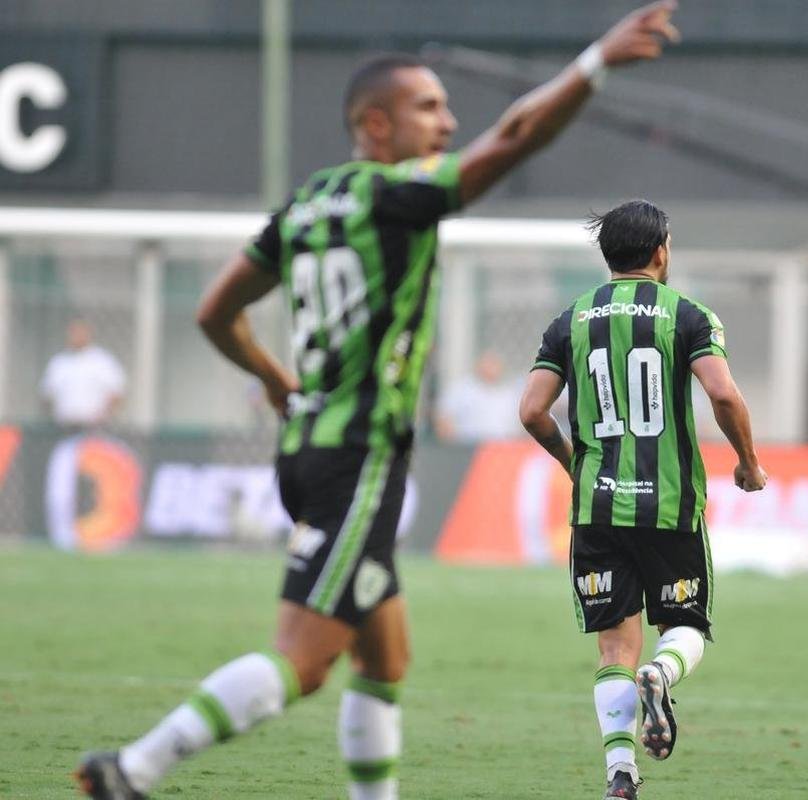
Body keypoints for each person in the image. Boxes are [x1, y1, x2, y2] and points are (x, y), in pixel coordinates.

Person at [75, 4, 682, 799]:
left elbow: (214, 312)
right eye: (427, 107)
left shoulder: (305, 206)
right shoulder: (395, 197)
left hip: (309, 447)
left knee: (384, 659)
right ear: (374, 124)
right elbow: (513, 139)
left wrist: (270, 377)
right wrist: (594, 63)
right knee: (303, 657)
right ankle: (134, 769)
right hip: (359, 458)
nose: (447, 122)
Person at [519, 199, 767, 800]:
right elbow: (724, 396)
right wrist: (748, 462)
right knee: (682, 626)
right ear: (661, 251)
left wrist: (575, 463)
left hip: (597, 509)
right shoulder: (687, 315)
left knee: (613, 646)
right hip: (670, 504)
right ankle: (663, 672)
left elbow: (531, 412)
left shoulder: (570, 320)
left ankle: (621, 776)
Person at [40, 318, 126, 430]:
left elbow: (116, 392)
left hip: (94, 427)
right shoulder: (59, 362)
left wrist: (104, 417)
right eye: (73, 333)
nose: (76, 336)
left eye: (80, 332)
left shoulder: (102, 360)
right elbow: (47, 394)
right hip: (63, 426)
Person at [435, 350, 523, 441]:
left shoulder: (510, 393)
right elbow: (444, 420)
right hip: (468, 447)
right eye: (489, 363)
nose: (492, 368)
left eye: (495, 364)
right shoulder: (462, 389)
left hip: (502, 448)